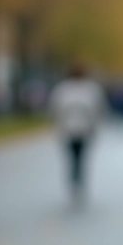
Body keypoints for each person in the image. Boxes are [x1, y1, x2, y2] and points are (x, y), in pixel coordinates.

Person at [48, 64, 105, 203]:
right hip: (80, 129)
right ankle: (78, 179)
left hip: (71, 130)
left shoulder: (62, 89)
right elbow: (98, 109)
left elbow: (54, 109)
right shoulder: (91, 89)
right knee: (79, 157)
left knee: (74, 157)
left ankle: (75, 178)